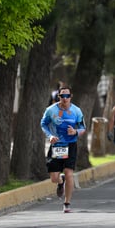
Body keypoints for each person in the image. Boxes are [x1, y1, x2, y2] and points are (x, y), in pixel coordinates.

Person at [40, 85, 86, 213]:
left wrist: (75, 132)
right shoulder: (51, 110)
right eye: (62, 96)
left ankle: (67, 203)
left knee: (69, 173)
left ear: (71, 97)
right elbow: (43, 124)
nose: (65, 98)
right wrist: (50, 136)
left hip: (70, 145)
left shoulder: (77, 111)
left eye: (67, 96)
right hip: (56, 145)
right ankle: (61, 182)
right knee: (54, 177)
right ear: (58, 97)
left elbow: (83, 127)